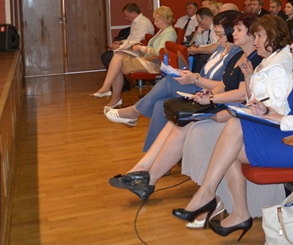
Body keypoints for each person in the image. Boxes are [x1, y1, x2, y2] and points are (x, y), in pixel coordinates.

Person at [173, 22, 293, 239]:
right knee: (230, 143)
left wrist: (282, 118)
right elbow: (290, 109)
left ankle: (209, 196)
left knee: (231, 139)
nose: (292, 46)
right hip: (291, 134)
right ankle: (236, 211)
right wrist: (267, 110)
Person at [107, 12, 261, 206]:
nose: (232, 35)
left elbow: (241, 94)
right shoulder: (238, 56)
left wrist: (210, 96)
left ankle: (148, 177)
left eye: (238, 30)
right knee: (170, 116)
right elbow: (222, 84)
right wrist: (206, 95)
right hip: (219, 102)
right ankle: (141, 171)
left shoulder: (248, 58)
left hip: (230, 111)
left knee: (181, 123)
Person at [104, 11, 243, 143]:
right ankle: (156, 161)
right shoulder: (222, 47)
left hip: (210, 94)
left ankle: (134, 111)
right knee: (160, 104)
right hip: (201, 84)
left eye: (220, 34)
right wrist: (190, 75)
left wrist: (195, 79)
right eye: (217, 34)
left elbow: (224, 86)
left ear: (231, 33)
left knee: (170, 81)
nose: (218, 38)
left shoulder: (236, 53)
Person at [93, 6, 177, 109]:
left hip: (155, 64)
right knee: (117, 57)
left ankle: (111, 94)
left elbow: (160, 52)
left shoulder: (169, 33)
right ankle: (110, 94)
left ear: (165, 19)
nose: (154, 23)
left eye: (157, 21)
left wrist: (141, 48)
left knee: (117, 61)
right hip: (148, 59)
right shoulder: (162, 31)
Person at [100, 2, 155, 70]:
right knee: (106, 56)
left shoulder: (143, 23)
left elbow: (137, 42)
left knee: (106, 57)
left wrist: (120, 47)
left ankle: (121, 78)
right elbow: (130, 39)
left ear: (134, 13)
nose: (126, 18)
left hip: (139, 52)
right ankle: (119, 78)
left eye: (127, 16)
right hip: (132, 49)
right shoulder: (135, 22)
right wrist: (121, 42)